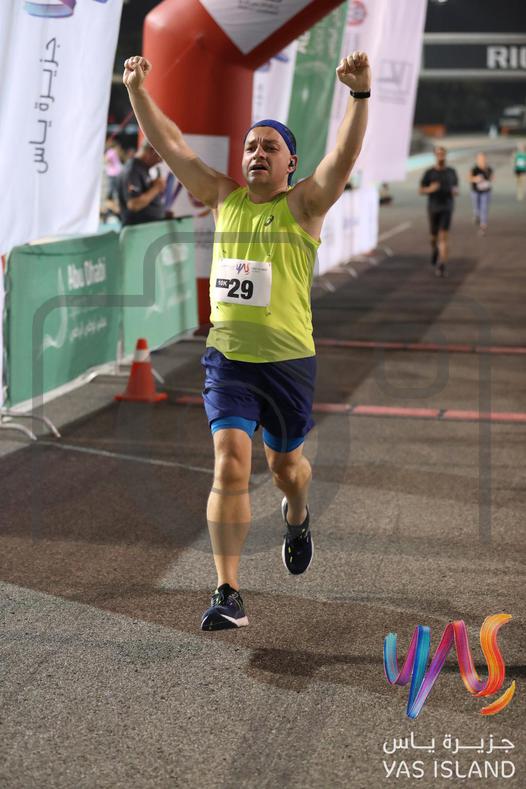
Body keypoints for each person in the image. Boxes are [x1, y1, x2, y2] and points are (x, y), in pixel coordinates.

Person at [123, 51, 371, 630]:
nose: (257, 153)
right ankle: (227, 591)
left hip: (288, 362)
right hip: (228, 359)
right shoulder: (223, 197)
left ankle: (297, 515)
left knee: (287, 469)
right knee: (230, 465)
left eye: (270, 147)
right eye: (251, 146)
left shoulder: (304, 205)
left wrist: (359, 95)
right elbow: (171, 146)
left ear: (291, 164)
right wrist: (136, 90)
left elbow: (343, 157)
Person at [419, 146, 459, 278]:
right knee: (433, 237)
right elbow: (420, 190)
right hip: (433, 207)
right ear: (435, 155)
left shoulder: (451, 172)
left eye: (442, 153)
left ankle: (442, 265)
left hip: (447, 207)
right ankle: (434, 249)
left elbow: (456, 188)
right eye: (438, 154)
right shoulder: (429, 173)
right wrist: (429, 189)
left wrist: (455, 191)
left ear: (445, 155)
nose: (440, 156)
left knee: (443, 237)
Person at [117, 140, 166, 226]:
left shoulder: (142, 168)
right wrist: (156, 188)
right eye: (160, 157)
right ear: (151, 151)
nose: (160, 161)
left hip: (147, 227)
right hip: (138, 228)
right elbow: (134, 204)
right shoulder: (133, 169)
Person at [469, 152, 493, 235]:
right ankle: (476, 216)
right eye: (480, 159)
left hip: (486, 192)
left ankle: (482, 227)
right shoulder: (474, 169)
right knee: (476, 208)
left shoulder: (488, 169)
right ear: (477, 160)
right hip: (475, 192)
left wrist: (488, 179)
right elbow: (469, 178)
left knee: (484, 209)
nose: (482, 160)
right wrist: (475, 179)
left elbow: (492, 178)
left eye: (483, 159)